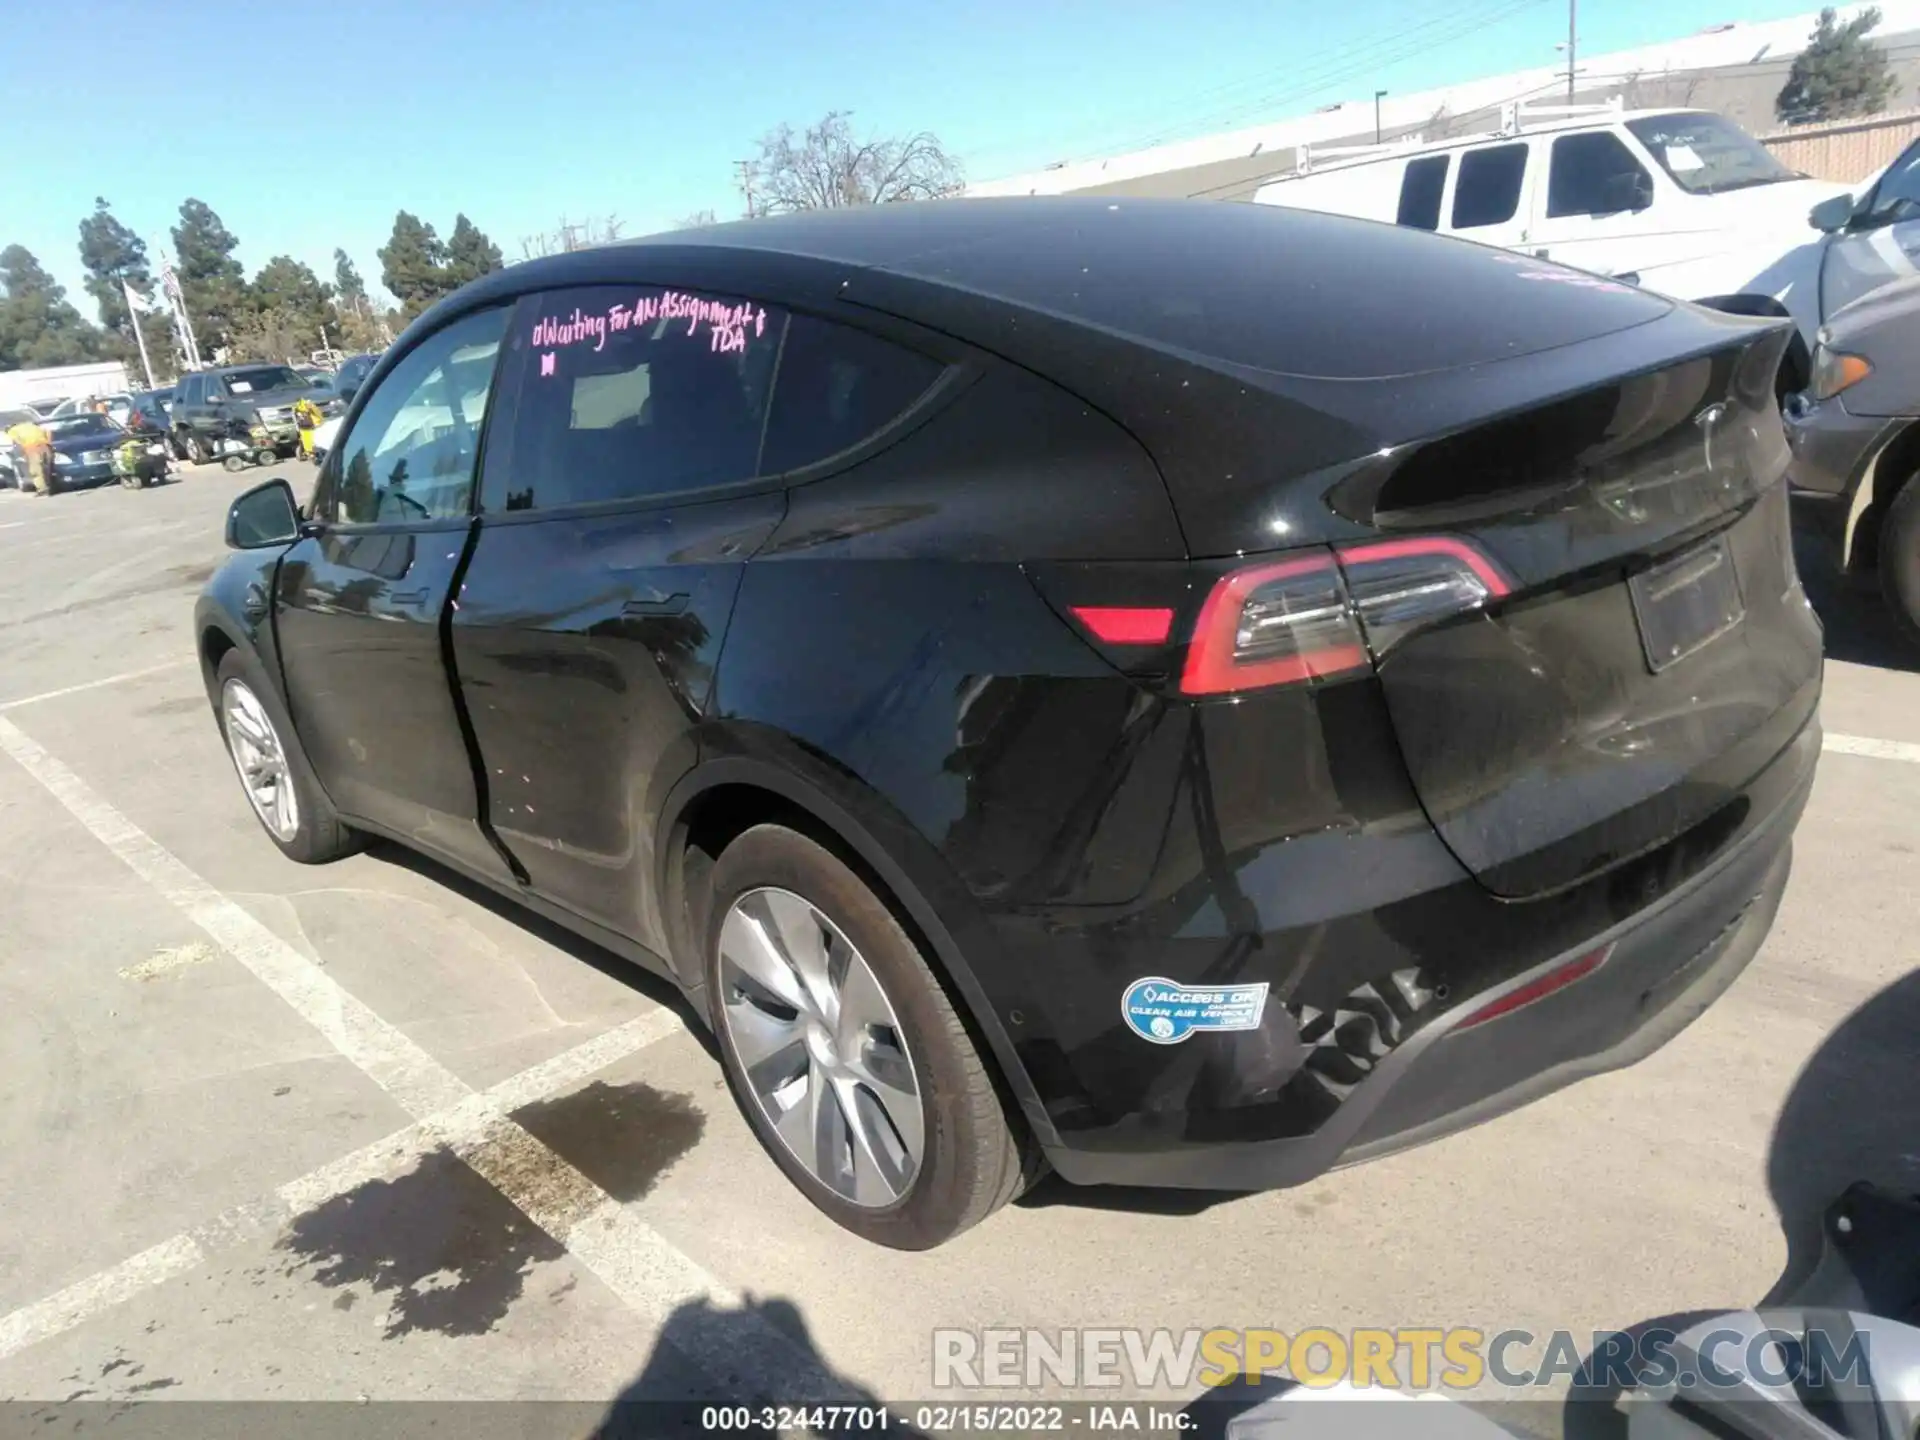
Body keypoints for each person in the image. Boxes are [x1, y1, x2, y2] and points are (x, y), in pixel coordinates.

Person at [5, 415, 53, 496]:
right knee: (46, 468)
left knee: (35, 471)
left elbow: (17, 442)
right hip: (45, 447)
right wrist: (48, 442)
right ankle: (49, 487)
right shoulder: (31, 425)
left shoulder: (12, 431)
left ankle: (42, 490)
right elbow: (48, 431)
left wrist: (23, 452)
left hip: (32, 448)